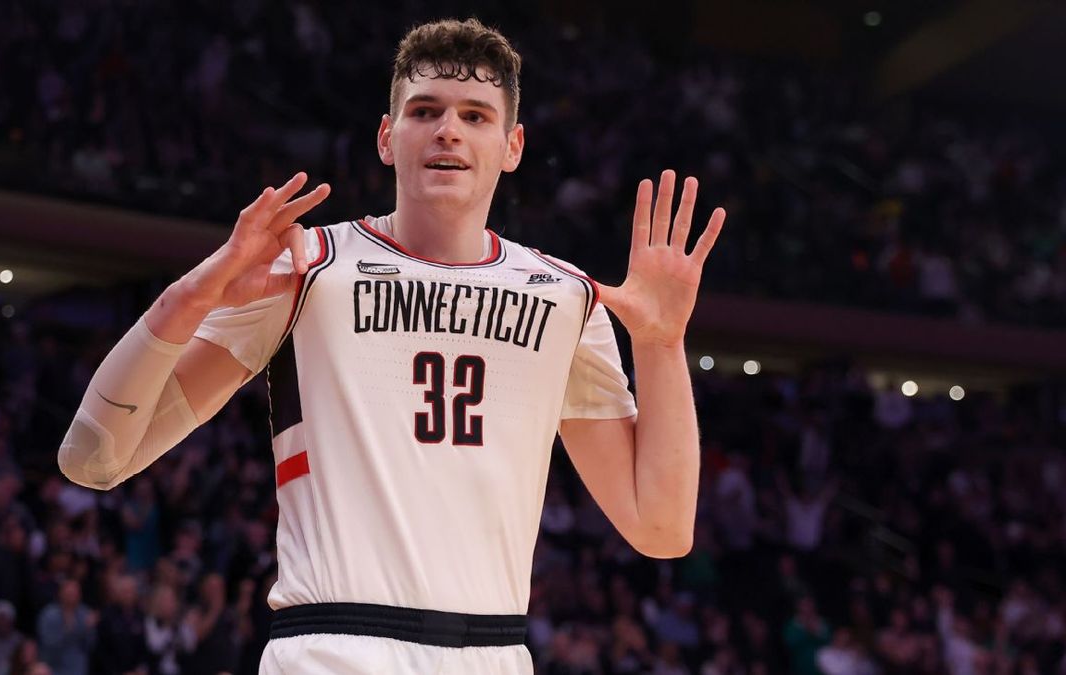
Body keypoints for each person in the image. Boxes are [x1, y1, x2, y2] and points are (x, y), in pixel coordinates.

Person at [58, 17, 726, 675]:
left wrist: (663, 345)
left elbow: (661, 528)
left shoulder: (566, 298)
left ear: (513, 145)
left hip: (494, 654)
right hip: (332, 645)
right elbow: (93, 459)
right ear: (387, 135)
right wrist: (187, 299)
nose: (448, 130)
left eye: (475, 115)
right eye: (425, 110)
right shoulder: (305, 266)